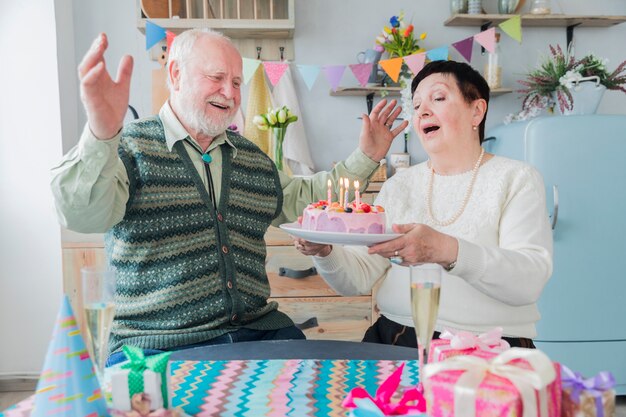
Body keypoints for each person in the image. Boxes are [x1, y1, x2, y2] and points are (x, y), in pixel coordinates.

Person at [50, 29, 408, 365]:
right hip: (158, 343)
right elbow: (82, 215)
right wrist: (101, 131)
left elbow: (305, 200)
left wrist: (367, 156)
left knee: (327, 392)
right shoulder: (129, 147)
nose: (231, 93)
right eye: (216, 78)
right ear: (175, 74)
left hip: (260, 332)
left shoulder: (250, 157)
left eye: (236, 82)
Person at [294, 60, 553, 349]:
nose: (423, 112)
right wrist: (325, 251)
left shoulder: (516, 179)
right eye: (416, 106)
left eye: (438, 98)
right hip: (396, 338)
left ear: (476, 111)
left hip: (490, 347)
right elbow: (357, 278)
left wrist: (446, 250)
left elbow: (528, 281)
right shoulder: (398, 186)